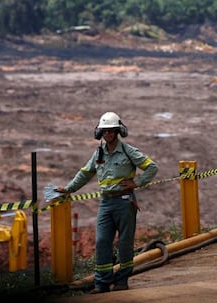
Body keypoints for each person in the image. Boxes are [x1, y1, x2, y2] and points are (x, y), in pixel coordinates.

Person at [56, 111, 158, 293]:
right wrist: (69, 188)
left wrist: (137, 183)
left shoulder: (128, 151)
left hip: (124, 203)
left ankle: (122, 281)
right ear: (100, 133)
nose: (108, 134)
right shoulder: (98, 153)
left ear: (118, 131)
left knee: (124, 243)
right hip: (106, 203)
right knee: (102, 241)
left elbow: (151, 167)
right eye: (105, 131)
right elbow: (85, 174)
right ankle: (102, 284)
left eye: (111, 131)